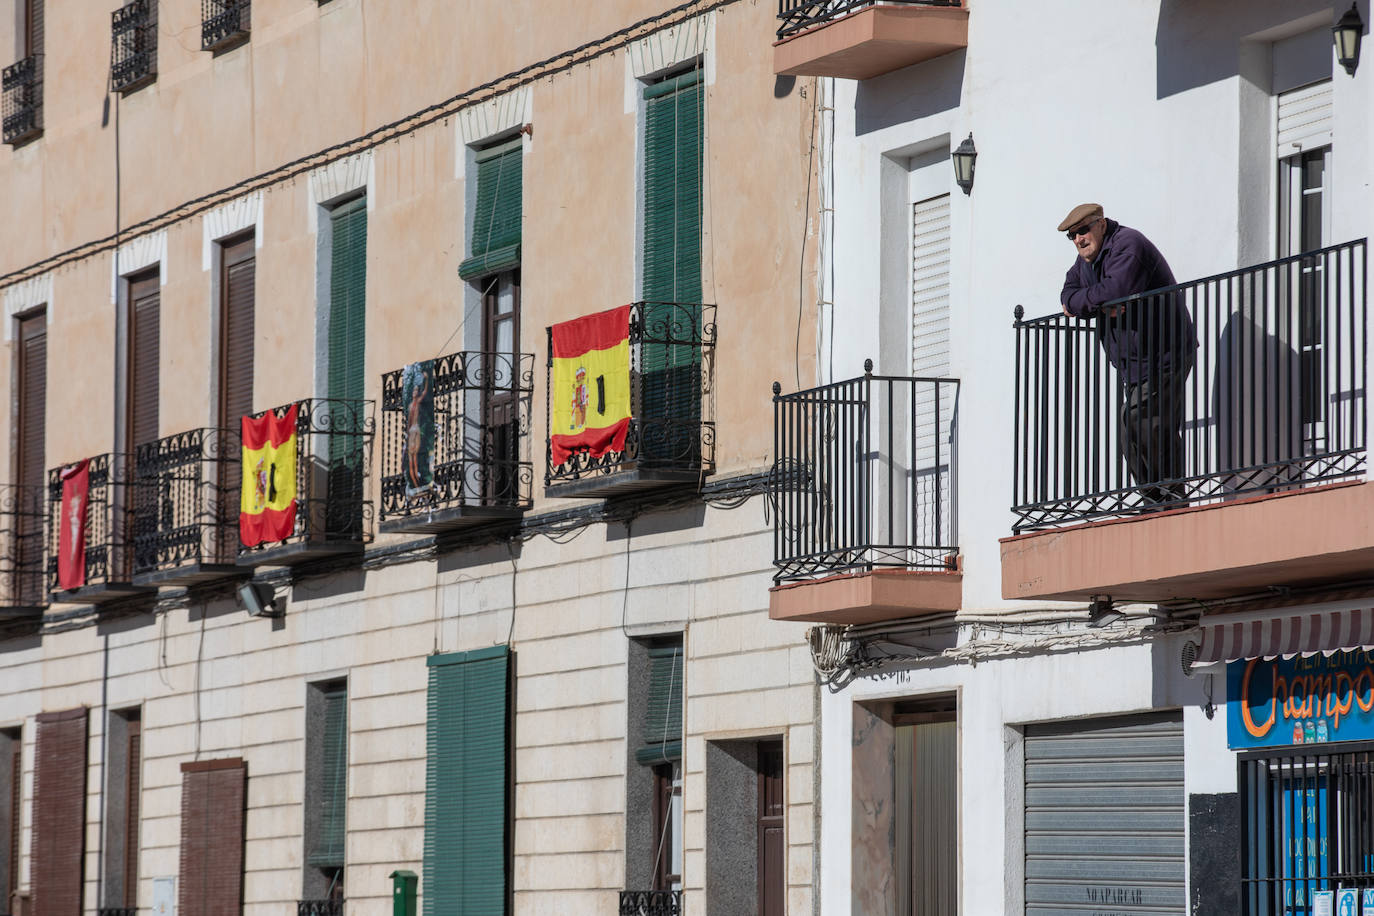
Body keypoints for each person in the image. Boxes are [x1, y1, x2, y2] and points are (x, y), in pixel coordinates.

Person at [1058, 203, 1196, 506]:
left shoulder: (1127, 245)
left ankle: (1169, 497)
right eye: (1072, 236)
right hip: (1132, 363)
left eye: (1083, 230)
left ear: (1101, 224)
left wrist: (1095, 302)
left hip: (1163, 352)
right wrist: (1095, 303)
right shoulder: (1086, 263)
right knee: (1134, 430)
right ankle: (1157, 498)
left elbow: (1114, 289)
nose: (1079, 239)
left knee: (1141, 420)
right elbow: (1067, 294)